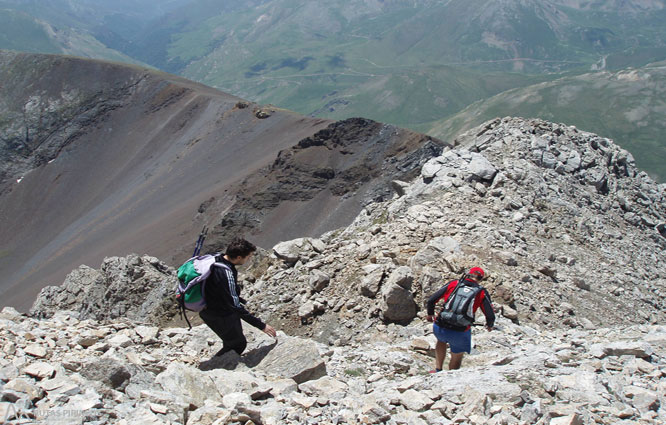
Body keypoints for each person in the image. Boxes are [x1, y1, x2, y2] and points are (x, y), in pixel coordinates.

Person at [200, 237, 277, 356]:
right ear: (239, 257)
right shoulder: (226, 273)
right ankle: (217, 368)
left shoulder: (217, 259)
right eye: (248, 256)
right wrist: (261, 326)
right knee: (238, 344)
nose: (250, 259)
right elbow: (235, 306)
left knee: (232, 340)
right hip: (218, 313)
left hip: (210, 309)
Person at [426, 267, 495, 371]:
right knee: (457, 356)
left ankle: (438, 369)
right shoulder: (481, 292)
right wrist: (490, 325)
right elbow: (490, 314)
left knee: (440, 341)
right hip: (460, 330)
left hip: (441, 326)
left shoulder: (454, 284)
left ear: (468, 274)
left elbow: (431, 300)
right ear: (480, 279)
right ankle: (451, 375)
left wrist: (430, 314)